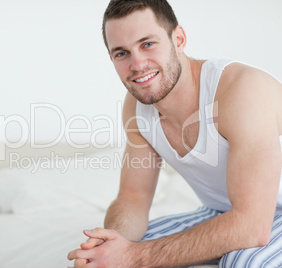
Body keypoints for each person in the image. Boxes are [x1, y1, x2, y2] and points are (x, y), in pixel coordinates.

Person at [67, 0, 282, 267]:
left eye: (147, 44)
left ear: (178, 39)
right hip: (224, 212)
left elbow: (251, 225)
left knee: (246, 260)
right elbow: (132, 198)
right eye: (122, 53)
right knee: (114, 252)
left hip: (255, 215)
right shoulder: (136, 108)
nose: (137, 64)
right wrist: (111, 246)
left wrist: (133, 257)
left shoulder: (242, 89)